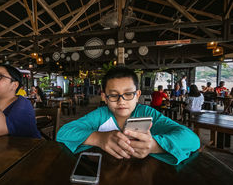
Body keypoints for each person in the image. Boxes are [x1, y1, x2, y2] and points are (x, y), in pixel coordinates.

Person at [56, 67, 200, 165]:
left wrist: (154, 146)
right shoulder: (100, 115)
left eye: (128, 94)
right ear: (104, 97)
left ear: (137, 95)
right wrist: (99, 138)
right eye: (113, 95)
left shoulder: (148, 113)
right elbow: (63, 133)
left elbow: (192, 140)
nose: (121, 101)